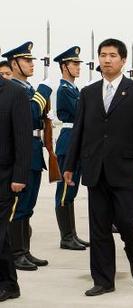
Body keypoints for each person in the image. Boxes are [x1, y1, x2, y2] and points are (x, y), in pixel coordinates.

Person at [63, 38, 133, 296]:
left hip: (126, 170)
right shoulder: (89, 93)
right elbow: (79, 131)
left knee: (128, 222)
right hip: (95, 170)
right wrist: (70, 164)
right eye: (103, 55)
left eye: (112, 55)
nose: (107, 59)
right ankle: (104, 280)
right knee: (99, 228)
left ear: (123, 60)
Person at [2, 42, 52, 271]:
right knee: (18, 206)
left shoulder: (27, 89)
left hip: (33, 149)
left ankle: (24, 250)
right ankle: (16, 252)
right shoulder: (14, 89)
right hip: (22, 151)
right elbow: (32, 115)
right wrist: (44, 92)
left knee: (28, 205)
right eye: (27, 60)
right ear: (14, 64)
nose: (32, 64)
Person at [53, 46, 89, 251]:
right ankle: (66, 237)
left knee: (71, 190)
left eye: (78, 64)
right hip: (69, 141)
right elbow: (80, 113)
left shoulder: (73, 89)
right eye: (74, 64)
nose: (78, 67)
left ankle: (72, 234)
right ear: (64, 66)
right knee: (65, 189)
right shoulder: (64, 90)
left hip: (76, 139)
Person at [0, 76, 32, 302]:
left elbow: (23, 137)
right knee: (2, 237)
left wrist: (20, 175)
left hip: (5, 177)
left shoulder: (14, 92)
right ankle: (10, 284)